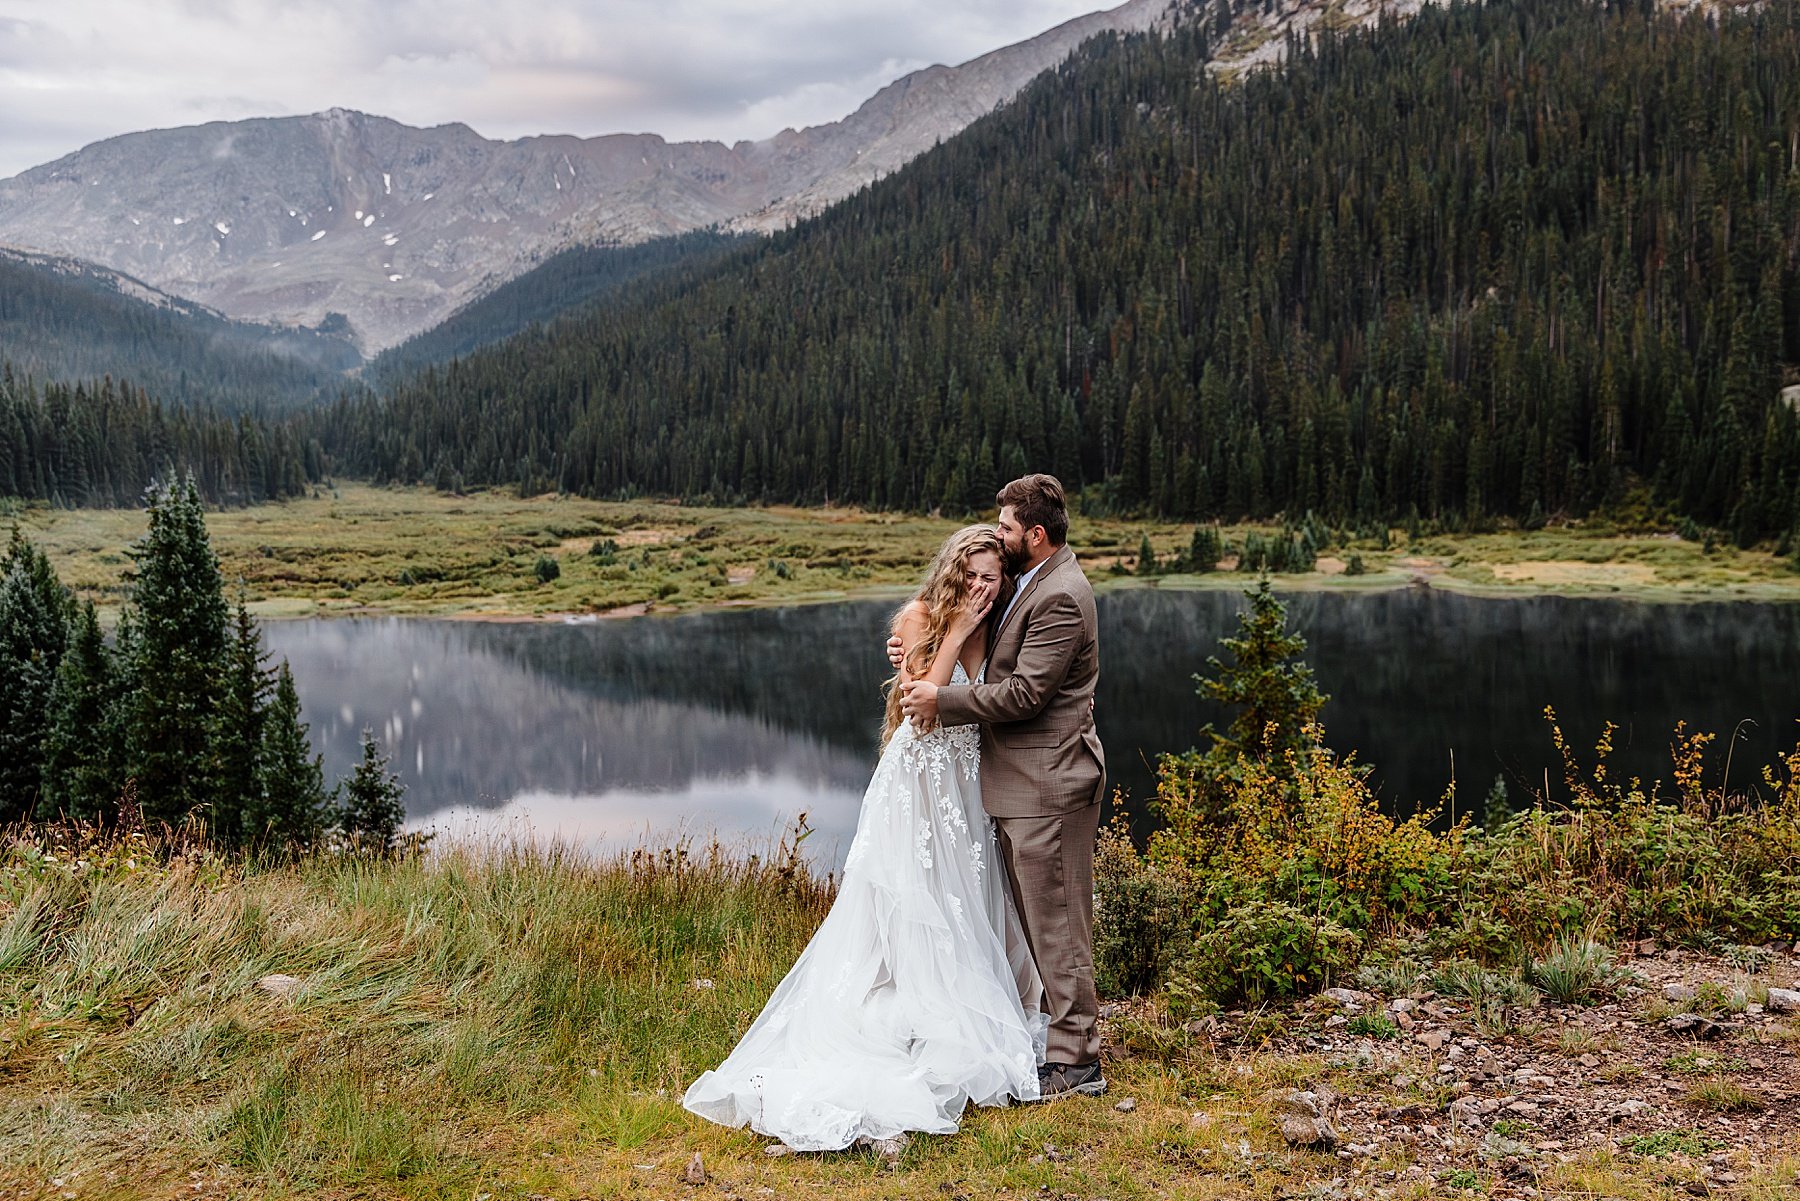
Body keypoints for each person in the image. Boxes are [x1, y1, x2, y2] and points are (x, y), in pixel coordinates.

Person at [682, 524, 1047, 1152]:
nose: (984, 587)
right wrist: (954, 630)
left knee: (966, 891)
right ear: (955, 572)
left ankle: (973, 1000)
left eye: (994, 576)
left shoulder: (1006, 622)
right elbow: (918, 709)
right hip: (918, 776)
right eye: (975, 575)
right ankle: (907, 1005)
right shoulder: (921, 616)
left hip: (965, 783)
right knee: (912, 893)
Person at [898, 474, 1107, 1100]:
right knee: (1037, 924)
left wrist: (942, 697)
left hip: (1051, 784)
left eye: (1009, 527)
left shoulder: (1063, 596)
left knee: (1060, 925)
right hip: (1020, 785)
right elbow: (982, 636)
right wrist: (921, 639)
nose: (1000, 534)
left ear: (1035, 535)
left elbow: (1024, 694)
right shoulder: (1031, 583)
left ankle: (1078, 1063)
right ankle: (1056, 1041)